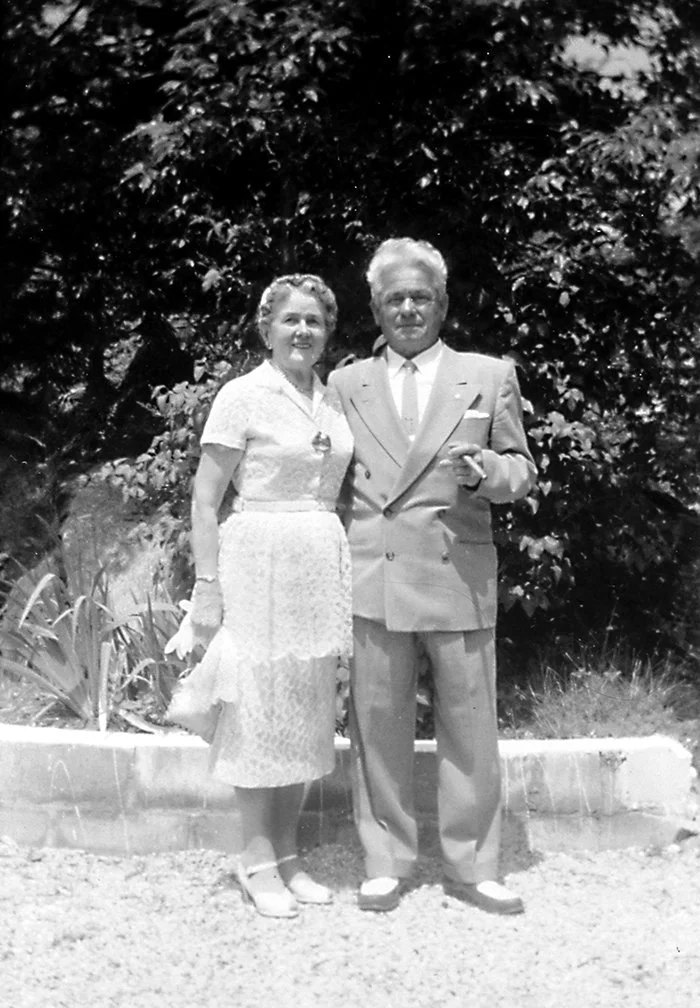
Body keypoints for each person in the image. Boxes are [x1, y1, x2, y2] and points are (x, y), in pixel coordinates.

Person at [327, 238, 536, 914]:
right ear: (377, 309)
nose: (408, 308)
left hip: (457, 571)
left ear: (443, 304)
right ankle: (386, 858)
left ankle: (474, 865)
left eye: (420, 296)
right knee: (378, 724)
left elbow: (521, 471)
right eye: (395, 298)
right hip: (375, 573)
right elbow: (328, 481)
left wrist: (486, 474)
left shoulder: (489, 373)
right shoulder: (346, 382)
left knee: (471, 726)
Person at [166, 274, 353, 918]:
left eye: (316, 322)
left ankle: (290, 855)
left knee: (304, 711)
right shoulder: (241, 395)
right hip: (257, 561)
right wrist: (207, 587)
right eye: (290, 320)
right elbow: (204, 497)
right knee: (256, 710)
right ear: (267, 328)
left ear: (328, 333)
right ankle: (255, 860)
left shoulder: (333, 401)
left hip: (317, 566)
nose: (303, 332)